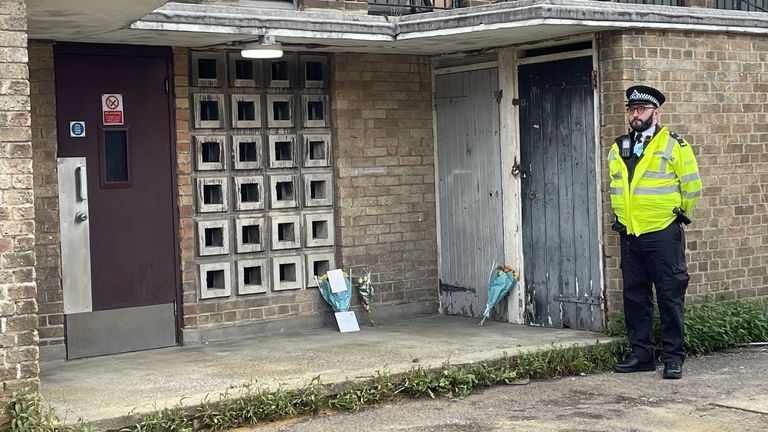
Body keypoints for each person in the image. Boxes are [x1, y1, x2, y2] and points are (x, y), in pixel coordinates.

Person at [607, 85, 702, 379]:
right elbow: (616, 189)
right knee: (635, 297)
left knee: (669, 295)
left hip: (662, 232)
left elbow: (692, 187)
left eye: (642, 110)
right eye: (632, 110)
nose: (636, 115)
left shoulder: (675, 145)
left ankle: (674, 357)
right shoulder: (618, 146)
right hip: (630, 233)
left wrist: (674, 216)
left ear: (656, 113)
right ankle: (642, 354)